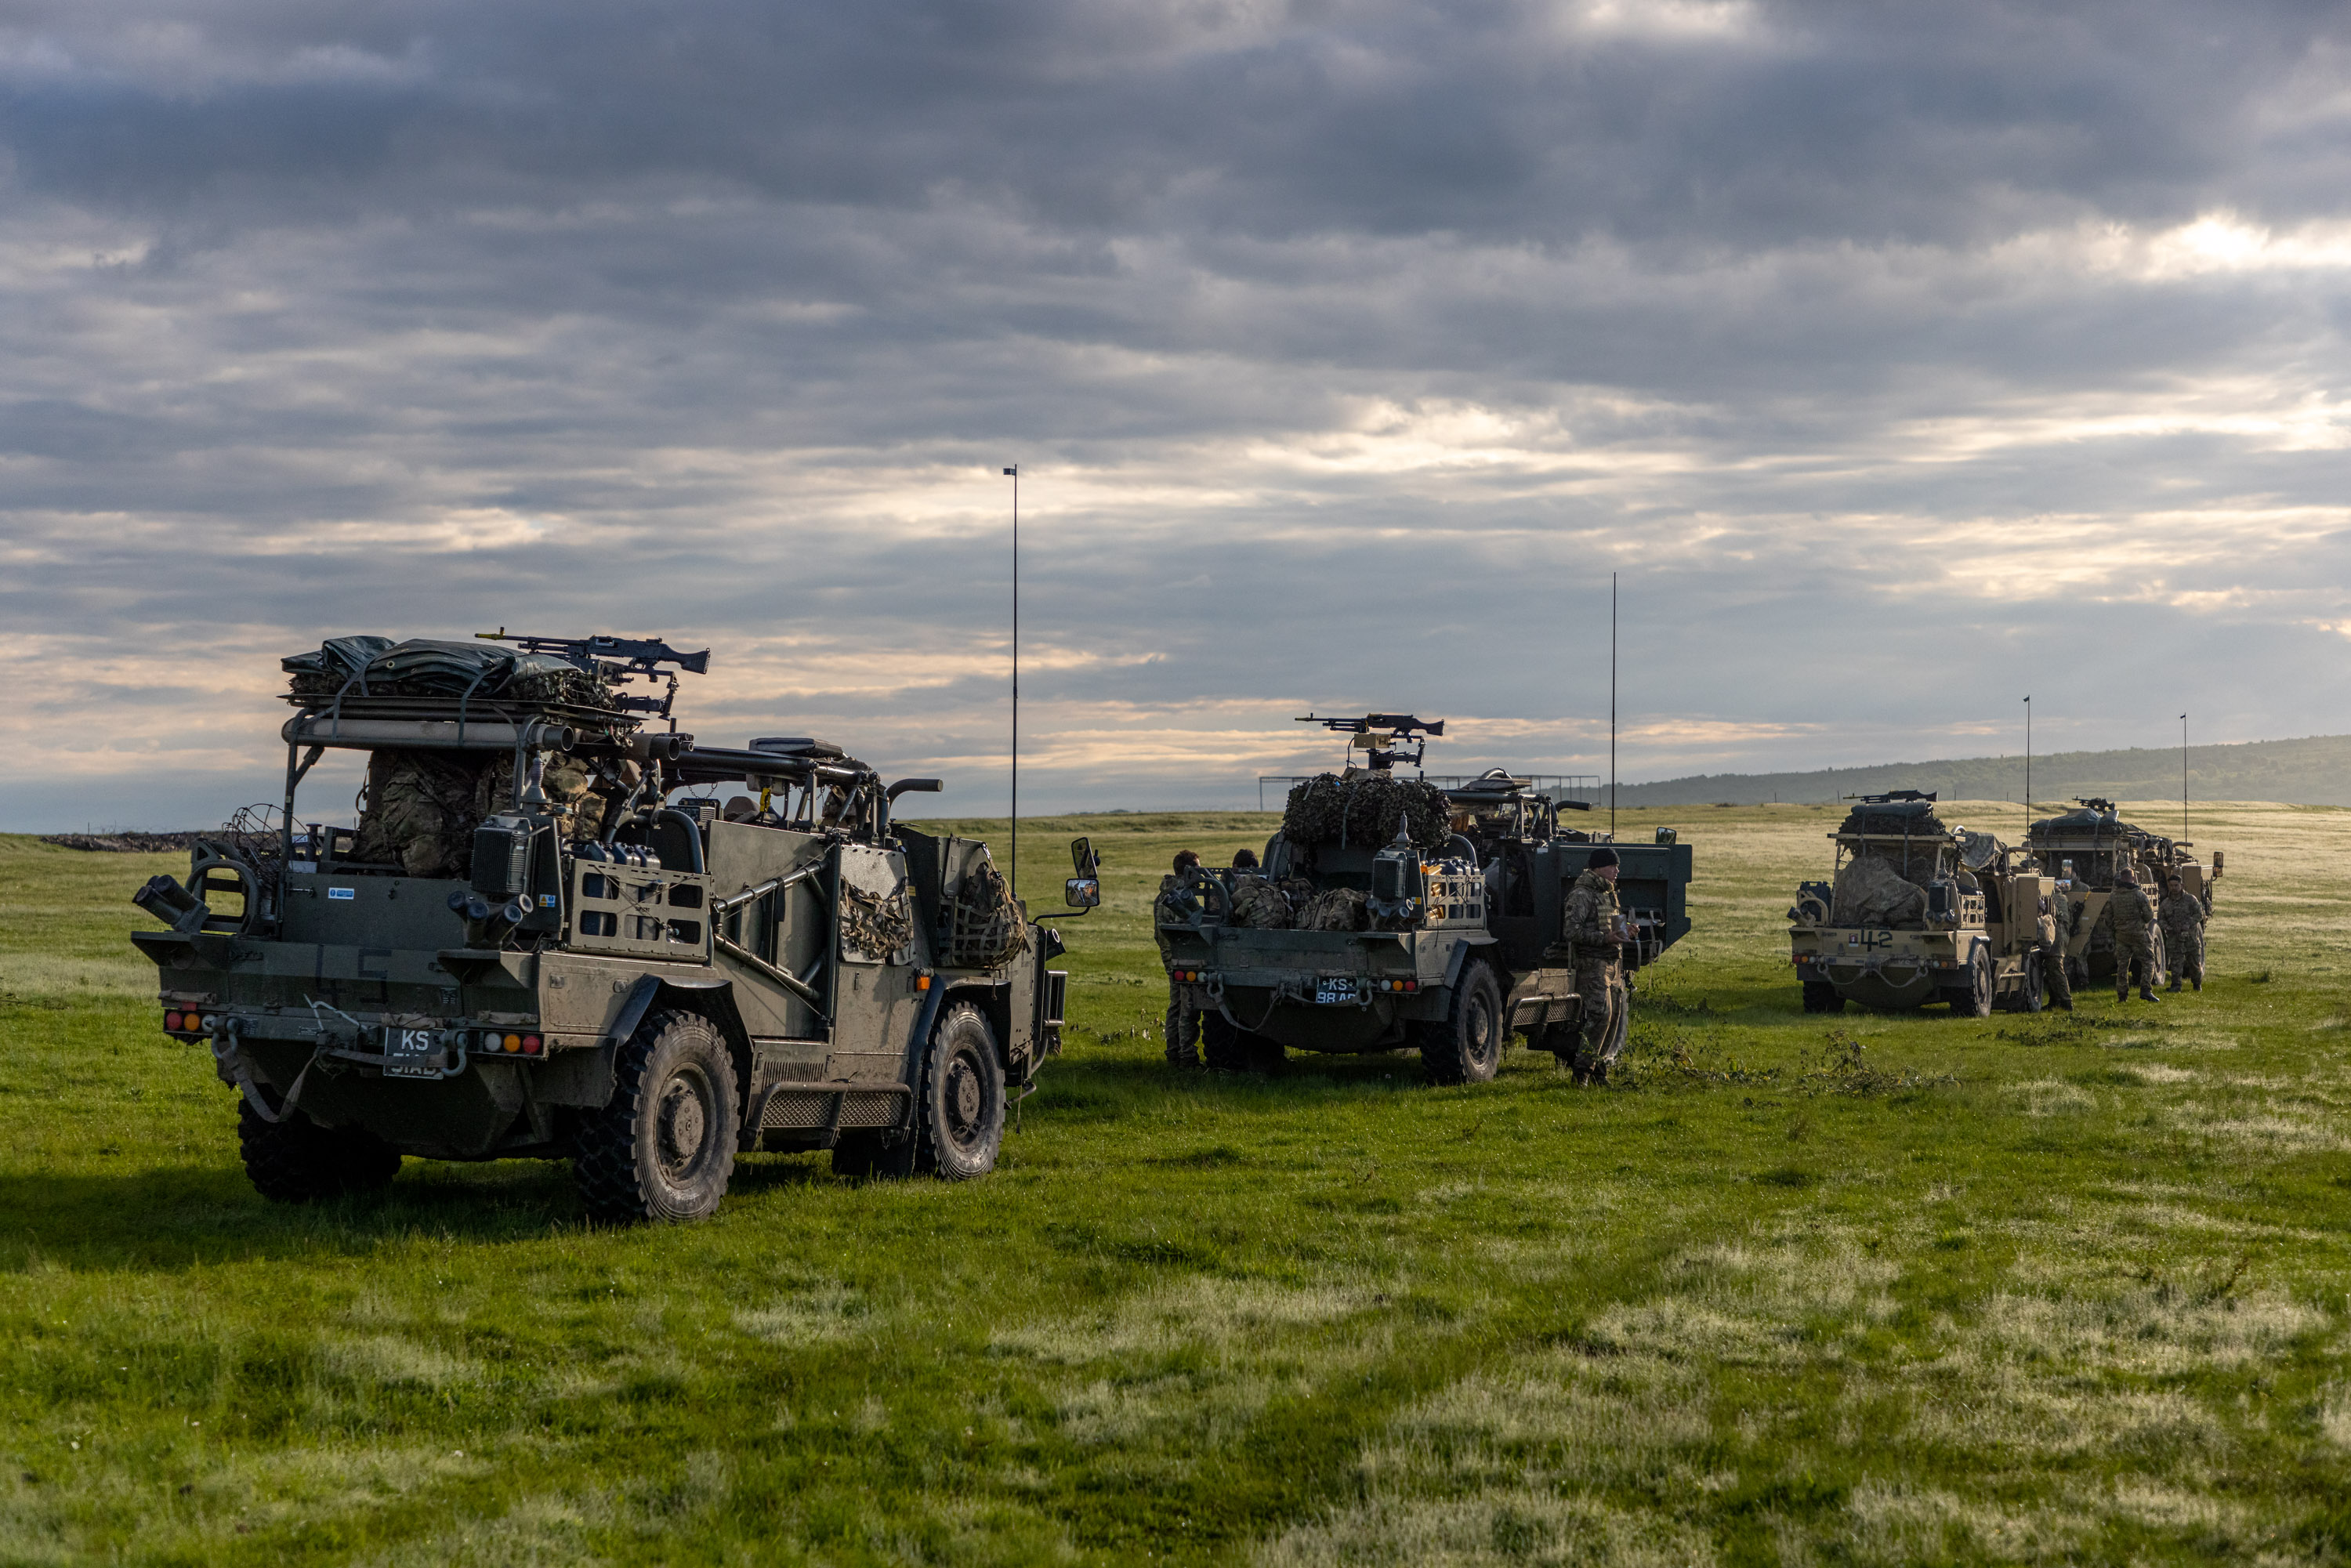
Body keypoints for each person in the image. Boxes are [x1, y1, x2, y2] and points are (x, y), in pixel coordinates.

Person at [1563, 847, 1627, 1085]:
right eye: (1613, 866)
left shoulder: (1608, 893)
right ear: (1599, 868)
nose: (1617, 871)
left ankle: (1599, 1071)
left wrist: (1625, 932)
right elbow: (1571, 930)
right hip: (1593, 963)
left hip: (1612, 962)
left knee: (1614, 1017)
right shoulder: (1582, 894)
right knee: (1601, 1016)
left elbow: (1609, 925)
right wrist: (1604, 939)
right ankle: (1581, 1073)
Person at [1157, 849, 1203, 1067]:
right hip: (1184, 956)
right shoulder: (1182, 894)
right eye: (1197, 869)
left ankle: (1173, 1052)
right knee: (1188, 1007)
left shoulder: (1164, 893)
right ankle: (1187, 1056)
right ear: (1187, 871)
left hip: (1169, 955)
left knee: (1176, 1004)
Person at [2107, 866, 2161, 1002]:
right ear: (2133, 878)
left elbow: (2108, 919)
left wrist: (2118, 928)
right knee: (2148, 960)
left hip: (2121, 935)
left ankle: (2122, 995)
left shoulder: (2113, 896)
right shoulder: (2139, 895)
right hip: (2138, 934)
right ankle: (2145, 990)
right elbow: (2149, 916)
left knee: (2122, 965)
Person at [2158, 874, 2208, 993]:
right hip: (2174, 939)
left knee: (2194, 964)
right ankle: (2176, 986)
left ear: (2182, 885)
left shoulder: (2191, 900)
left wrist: (2189, 923)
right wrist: (2168, 927)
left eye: (2176, 885)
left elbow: (2199, 914)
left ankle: (2197, 984)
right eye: (2171, 886)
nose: (2174, 888)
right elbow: (2161, 919)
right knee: (2176, 965)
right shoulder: (2165, 904)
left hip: (2190, 938)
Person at [2035, 893, 2074, 1012]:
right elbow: (2071, 919)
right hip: (2063, 933)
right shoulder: (2064, 898)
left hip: (2053, 933)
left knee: (2056, 968)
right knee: (2052, 968)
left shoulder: (2046, 896)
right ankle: (2055, 1001)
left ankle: (2066, 1001)